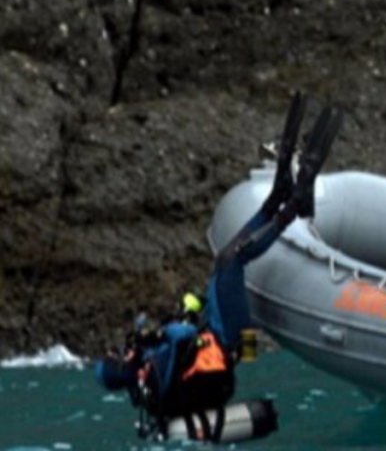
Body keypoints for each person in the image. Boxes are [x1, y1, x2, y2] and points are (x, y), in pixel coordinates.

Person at [95, 92, 342, 441]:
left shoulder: (144, 371)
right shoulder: (146, 378)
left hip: (218, 334)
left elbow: (186, 335)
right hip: (230, 342)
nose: (120, 352)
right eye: (117, 357)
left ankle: (275, 200)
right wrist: (160, 334)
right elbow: (181, 339)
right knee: (230, 260)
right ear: (120, 370)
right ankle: (289, 210)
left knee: (223, 262)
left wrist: (183, 312)